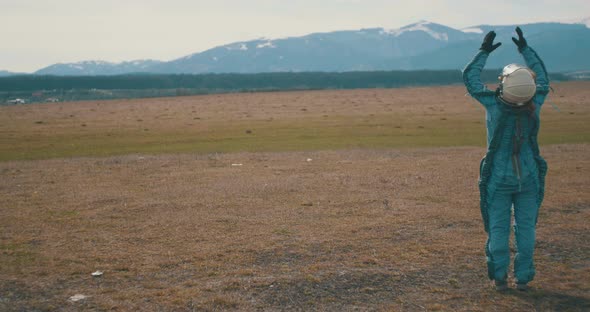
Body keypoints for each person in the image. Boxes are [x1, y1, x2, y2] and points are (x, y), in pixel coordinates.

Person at [462, 27, 550, 291]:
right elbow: (543, 77)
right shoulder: (537, 99)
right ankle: (522, 278)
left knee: (498, 232)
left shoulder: (492, 102)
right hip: (529, 177)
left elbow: (470, 79)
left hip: (498, 180)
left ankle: (499, 278)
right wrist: (526, 49)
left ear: (504, 85)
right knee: (526, 233)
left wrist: (483, 52)